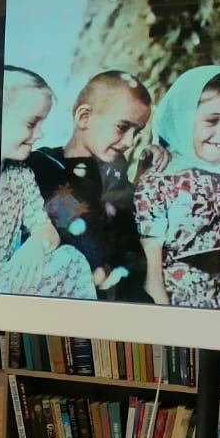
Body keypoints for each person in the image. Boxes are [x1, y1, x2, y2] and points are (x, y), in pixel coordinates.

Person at [135, 66, 220, 309]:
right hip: (181, 309)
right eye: (212, 120)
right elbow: (152, 276)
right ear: (182, 120)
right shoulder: (159, 178)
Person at [25, 70, 155, 302]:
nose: (129, 142)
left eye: (137, 132)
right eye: (122, 127)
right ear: (84, 117)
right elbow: (84, 238)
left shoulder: (115, 178)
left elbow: (130, 249)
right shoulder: (40, 168)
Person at [0, 66, 95, 298]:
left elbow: (47, 228)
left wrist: (38, 244)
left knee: (71, 257)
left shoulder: (22, 173)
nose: (40, 134)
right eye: (32, 124)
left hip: (13, 276)